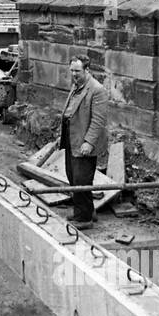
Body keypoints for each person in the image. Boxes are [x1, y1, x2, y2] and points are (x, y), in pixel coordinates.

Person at [59, 53, 109, 228]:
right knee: (73, 177)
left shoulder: (97, 90)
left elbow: (98, 120)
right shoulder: (77, 86)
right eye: (71, 70)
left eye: (77, 71)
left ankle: (84, 219)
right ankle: (88, 211)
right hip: (71, 140)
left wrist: (89, 142)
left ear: (87, 70)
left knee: (81, 180)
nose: (73, 74)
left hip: (83, 143)